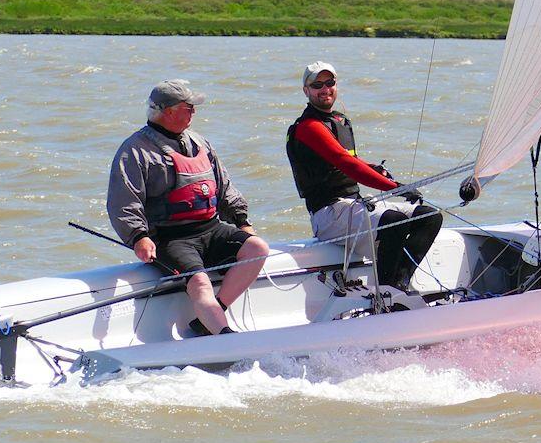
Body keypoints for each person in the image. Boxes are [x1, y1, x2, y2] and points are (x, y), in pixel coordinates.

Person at [108, 79, 269, 335]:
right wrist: (138, 237)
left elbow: (224, 186)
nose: (194, 111)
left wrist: (242, 221)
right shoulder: (135, 151)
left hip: (212, 229)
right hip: (171, 239)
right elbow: (123, 201)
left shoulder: (200, 143)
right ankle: (225, 336)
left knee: (258, 248)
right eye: (189, 107)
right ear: (168, 111)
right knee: (200, 284)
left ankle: (209, 317)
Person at [286, 61, 443, 290]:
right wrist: (394, 186)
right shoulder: (309, 127)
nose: (325, 89)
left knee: (429, 217)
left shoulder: (337, 121)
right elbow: (345, 163)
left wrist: (373, 168)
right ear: (306, 91)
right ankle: (385, 292)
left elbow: (350, 159)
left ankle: (400, 283)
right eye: (317, 84)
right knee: (393, 222)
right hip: (328, 214)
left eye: (329, 83)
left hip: (353, 206)